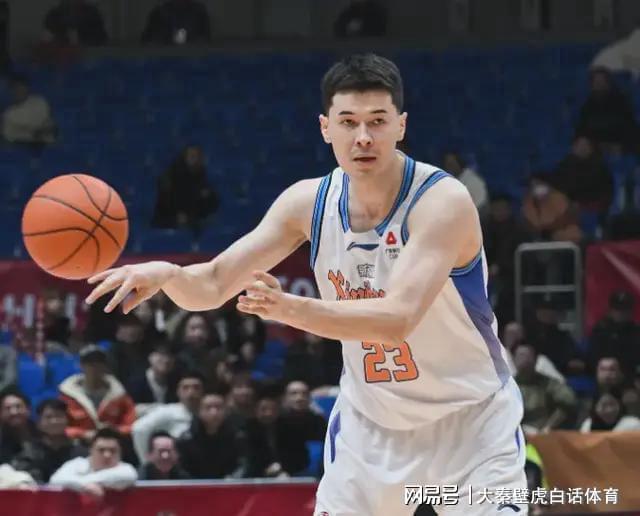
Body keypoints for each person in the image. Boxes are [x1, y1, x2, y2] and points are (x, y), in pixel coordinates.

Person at [86, 53, 528, 515]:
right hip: (370, 429)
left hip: (470, 422)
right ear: (325, 127)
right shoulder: (307, 203)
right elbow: (214, 283)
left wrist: (287, 308)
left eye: (377, 121)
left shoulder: (441, 201)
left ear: (401, 125)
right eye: (348, 121)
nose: (363, 136)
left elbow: (396, 319)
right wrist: (169, 275)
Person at [59, 344, 136, 442]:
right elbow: (59, 427)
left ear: (105, 366)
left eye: (99, 363)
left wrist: (115, 431)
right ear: (81, 365)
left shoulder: (119, 395)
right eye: (90, 363)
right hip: (78, 443)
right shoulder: (67, 395)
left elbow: (131, 424)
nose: (95, 367)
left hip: (113, 442)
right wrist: (83, 434)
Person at [131, 371, 203, 462]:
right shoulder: (168, 411)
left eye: (196, 388)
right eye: (185, 388)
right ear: (178, 392)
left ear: (203, 391)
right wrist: (146, 463)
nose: (191, 392)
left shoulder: (210, 411)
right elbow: (139, 429)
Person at [12, 399, 86, 483]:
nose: (54, 421)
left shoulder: (80, 453)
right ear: (39, 423)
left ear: (67, 420)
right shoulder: (28, 452)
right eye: (48, 417)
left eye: (59, 416)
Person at [49, 428, 137, 497]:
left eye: (112, 451)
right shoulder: (77, 464)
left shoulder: (125, 468)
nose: (107, 455)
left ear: (120, 452)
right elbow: (55, 480)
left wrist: (84, 483)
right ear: (91, 450)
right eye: (101, 450)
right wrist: (84, 485)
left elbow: (129, 476)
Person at [177, 391, 243, 479]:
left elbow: (242, 466)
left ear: (226, 411)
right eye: (208, 408)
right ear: (199, 411)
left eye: (218, 407)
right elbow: (182, 470)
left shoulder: (237, 437)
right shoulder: (186, 440)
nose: (214, 412)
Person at [2, 75, 56, 146]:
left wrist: (45, 131)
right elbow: (9, 136)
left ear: (28, 88)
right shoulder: (8, 114)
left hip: (48, 144)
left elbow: (50, 124)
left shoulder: (40, 101)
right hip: (24, 147)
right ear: (11, 91)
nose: (20, 91)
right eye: (16, 89)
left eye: (22, 88)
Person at [41, 0, 108, 47]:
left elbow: (101, 40)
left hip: (88, 56)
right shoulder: (54, 15)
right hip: (61, 57)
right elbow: (46, 40)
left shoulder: (93, 14)